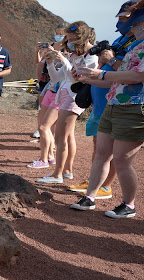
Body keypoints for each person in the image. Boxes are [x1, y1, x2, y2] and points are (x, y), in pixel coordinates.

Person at [70, 5, 144, 218]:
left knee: (122, 160)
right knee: (102, 154)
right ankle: (89, 198)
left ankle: (129, 205)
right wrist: (86, 78)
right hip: (114, 105)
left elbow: (137, 77)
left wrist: (101, 75)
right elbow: (116, 82)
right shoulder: (135, 46)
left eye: (138, 23)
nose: (135, 27)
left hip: (134, 109)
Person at [37, 22, 98, 183]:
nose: (69, 43)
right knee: (67, 135)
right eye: (68, 39)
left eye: (72, 40)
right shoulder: (73, 55)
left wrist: (63, 59)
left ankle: (57, 174)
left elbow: (76, 78)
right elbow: (57, 78)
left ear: (82, 38)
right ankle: (66, 171)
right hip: (63, 95)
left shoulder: (91, 56)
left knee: (60, 137)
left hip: (73, 98)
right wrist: (50, 63)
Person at [28, 24, 67, 169]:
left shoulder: (67, 50)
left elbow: (66, 68)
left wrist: (59, 56)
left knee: (47, 126)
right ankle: (49, 155)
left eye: (61, 33)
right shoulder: (51, 47)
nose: (58, 35)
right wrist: (39, 51)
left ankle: (46, 158)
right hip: (48, 86)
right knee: (44, 123)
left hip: (59, 89)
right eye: (56, 33)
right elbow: (40, 63)